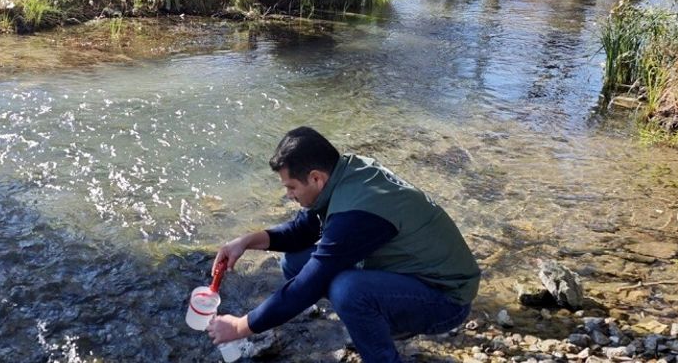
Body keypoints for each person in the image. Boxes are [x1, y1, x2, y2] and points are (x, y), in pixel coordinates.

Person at [206, 126, 481, 363]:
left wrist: (240, 326)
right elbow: (301, 231)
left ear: (316, 177)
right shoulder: (344, 173)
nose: (288, 194)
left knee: (347, 290)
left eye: (291, 187)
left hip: (447, 299)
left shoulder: (356, 214)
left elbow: (308, 285)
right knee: (293, 262)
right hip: (411, 272)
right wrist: (246, 242)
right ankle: (376, 320)